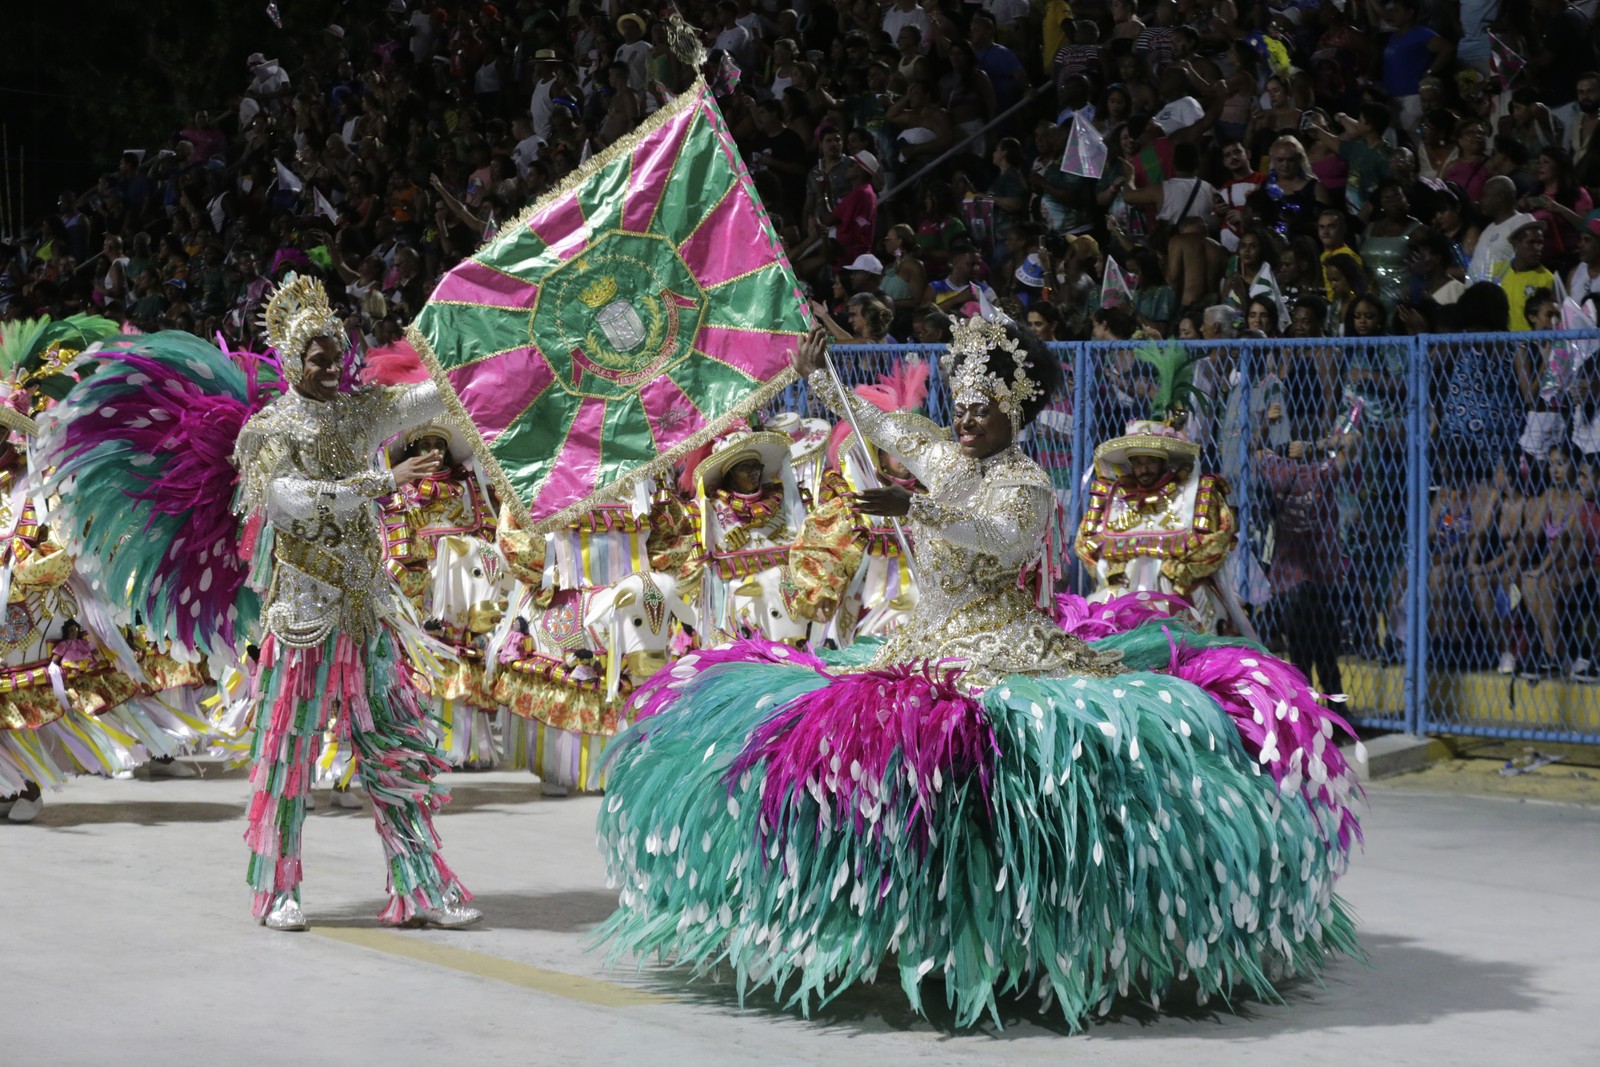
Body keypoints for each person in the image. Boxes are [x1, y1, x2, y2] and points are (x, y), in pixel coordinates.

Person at [593, 319, 1360, 1029]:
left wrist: (916, 509)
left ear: (1014, 415)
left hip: (1000, 647)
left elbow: (997, 537)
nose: (963, 422)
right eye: (959, 407)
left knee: (986, 782)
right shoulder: (949, 457)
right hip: (920, 640)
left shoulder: (1022, 483)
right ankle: (889, 921)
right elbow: (886, 425)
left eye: (981, 411)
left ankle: (1015, 934)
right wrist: (822, 376)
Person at [233, 276, 478, 932]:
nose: (327, 364)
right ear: (289, 359)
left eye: (332, 352)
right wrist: (376, 481)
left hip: (366, 610)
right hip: (304, 616)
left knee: (394, 747)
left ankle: (419, 886)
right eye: (313, 353)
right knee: (288, 753)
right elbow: (286, 502)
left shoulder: (360, 409)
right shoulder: (269, 428)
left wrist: (484, 352)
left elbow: (425, 401)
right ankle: (279, 890)